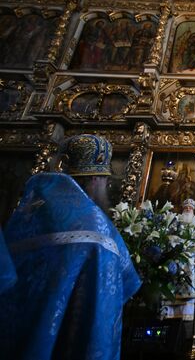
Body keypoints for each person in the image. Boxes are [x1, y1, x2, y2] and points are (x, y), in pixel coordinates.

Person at [0, 134, 141, 360]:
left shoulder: (25, 217)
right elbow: (114, 290)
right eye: (105, 180)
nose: (105, 187)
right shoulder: (95, 229)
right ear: (95, 179)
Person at [160, 198, 195, 321]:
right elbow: (168, 236)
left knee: (188, 287)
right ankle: (169, 313)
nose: (188, 209)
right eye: (186, 207)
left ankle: (186, 314)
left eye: (190, 208)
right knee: (171, 284)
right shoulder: (176, 221)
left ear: (193, 209)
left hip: (189, 259)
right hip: (174, 257)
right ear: (183, 209)